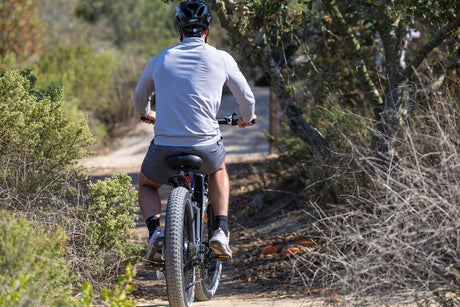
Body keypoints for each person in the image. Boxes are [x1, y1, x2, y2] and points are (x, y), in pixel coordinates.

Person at [133, 0, 256, 265]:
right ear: (207, 29)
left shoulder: (160, 59)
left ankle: (155, 234)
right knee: (218, 169)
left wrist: (147, 113)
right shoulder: (221, 58)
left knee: (146, 184)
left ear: (179, 28)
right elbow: (247, 99)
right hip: (205, 144)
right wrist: (246, 118)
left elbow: (139, 98)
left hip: (165, 145)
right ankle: (221, 231)